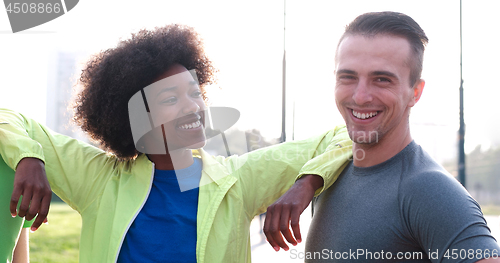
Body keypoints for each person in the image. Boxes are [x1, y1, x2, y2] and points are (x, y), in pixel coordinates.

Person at [0, 24, 352, 262]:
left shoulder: (237, 180)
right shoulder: (99, 179)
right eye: (171, 99)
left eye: (194, 92)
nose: (193, 107)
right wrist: (30, 158)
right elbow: (7, 116)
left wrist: (307, 184)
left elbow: (346, 135)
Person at [267, 11, 500, 262]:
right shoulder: (333, 173)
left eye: (381, 79)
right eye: (348, 77)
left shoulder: (429, 191)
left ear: (415, 92)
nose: (360, 96)